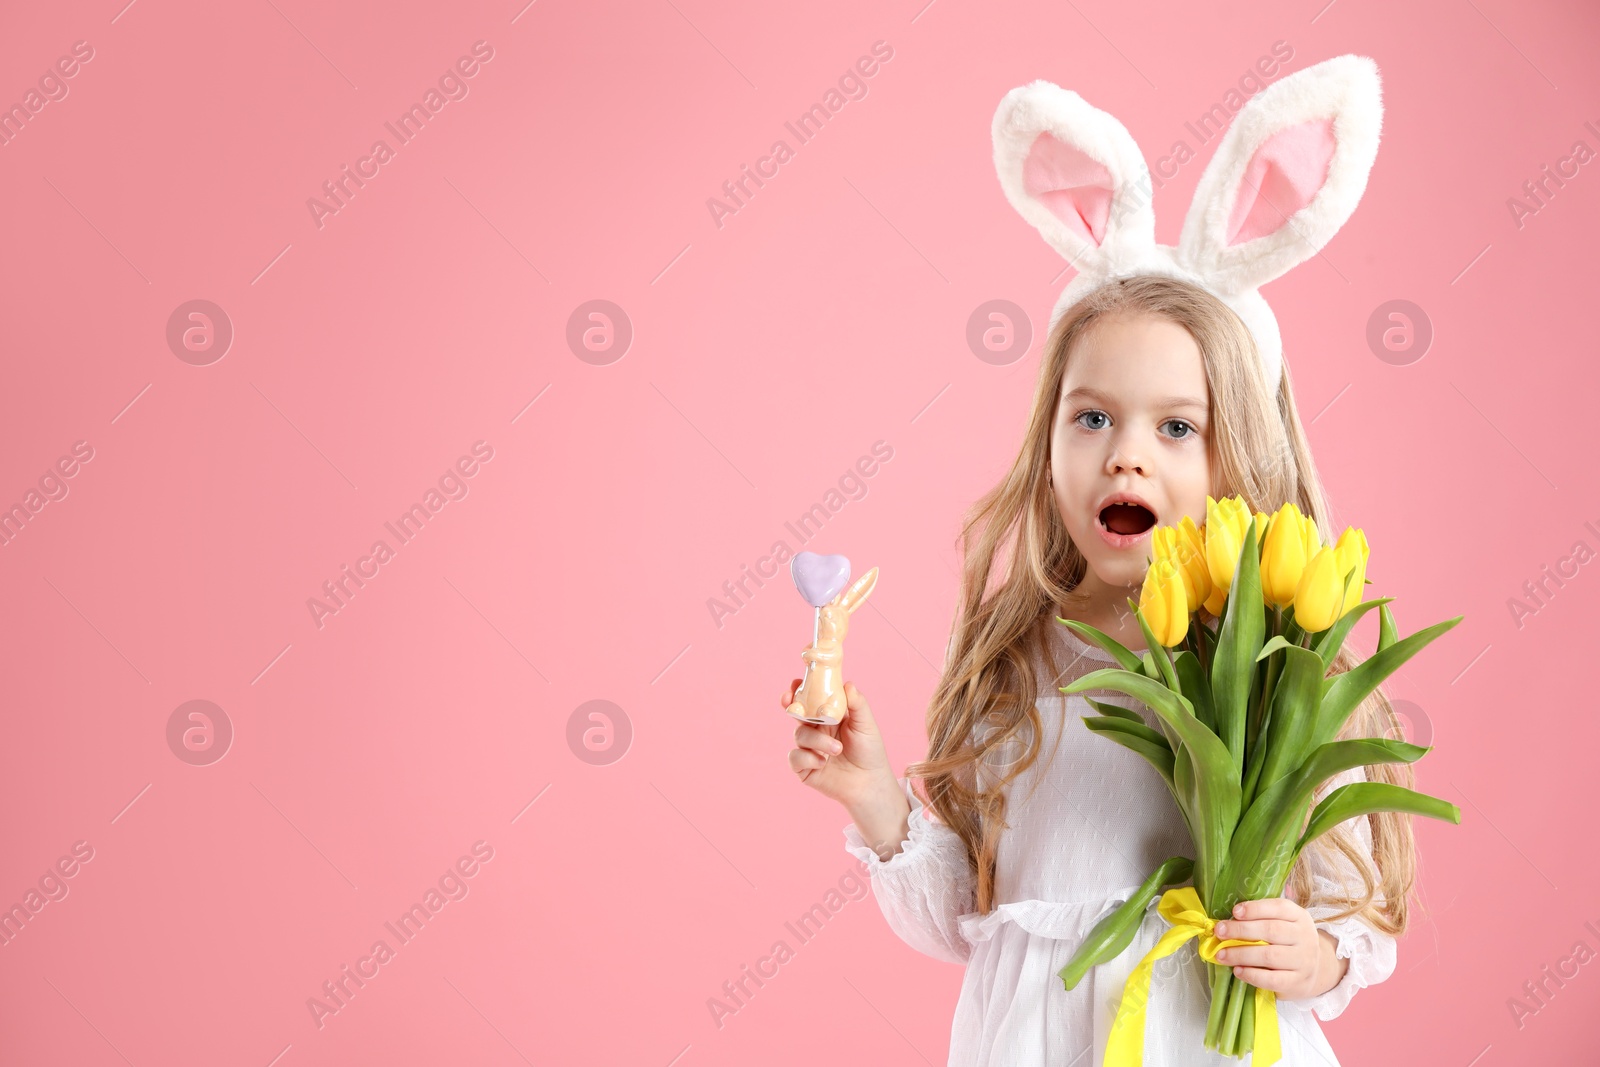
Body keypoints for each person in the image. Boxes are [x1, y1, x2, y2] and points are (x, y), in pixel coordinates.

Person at [784, 275, 1420, 1065]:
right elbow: (968, 920)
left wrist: (1312, 958)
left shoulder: (1272, 666)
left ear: (1236, 459)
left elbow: (1347, 909)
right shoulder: (1012, 655)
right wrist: (875, 796)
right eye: (1092, 417)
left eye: (1178, 427)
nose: (1126, 455)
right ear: (1046, 443)